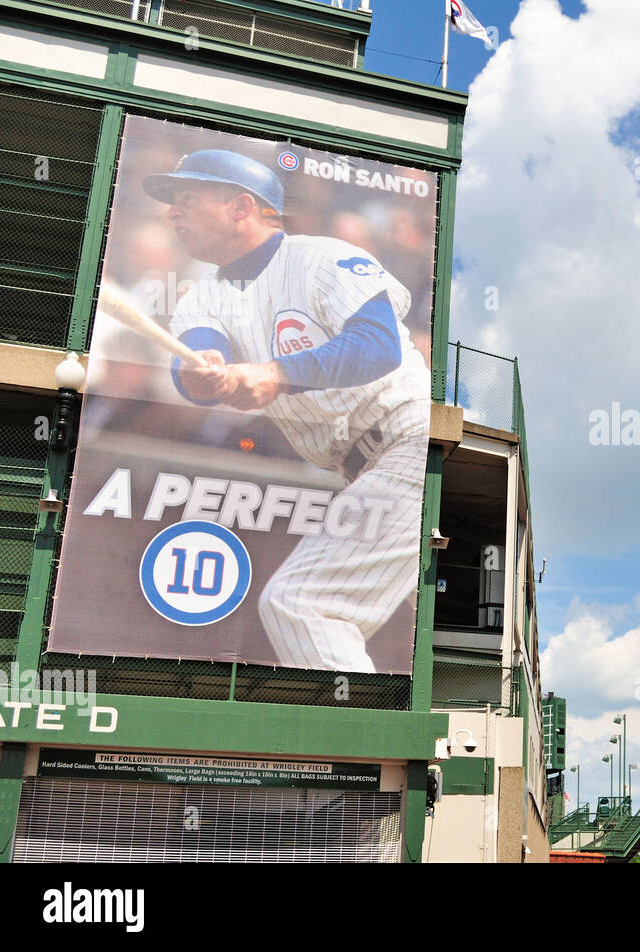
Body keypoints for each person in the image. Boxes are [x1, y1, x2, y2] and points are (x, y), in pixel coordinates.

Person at [143, 149, 431, 673]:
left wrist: (272, 375)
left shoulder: (321, 257)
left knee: (303, 604)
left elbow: (377, 346)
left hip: (411, 440)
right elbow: (196, 365)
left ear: (240, 207)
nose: (172, 213)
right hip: (365, 468)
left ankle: (360, 752)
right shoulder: (201, 294)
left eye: (186, 199)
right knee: (430, 622)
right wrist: (207, 374)